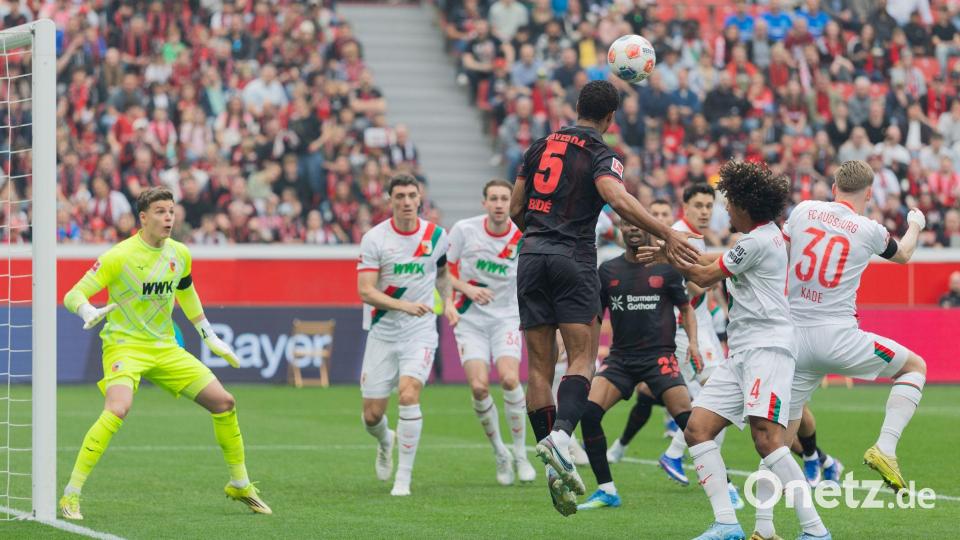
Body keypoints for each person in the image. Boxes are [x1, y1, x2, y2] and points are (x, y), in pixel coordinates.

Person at [508, 79, 701, 515]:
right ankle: (560, 439)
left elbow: (517, 208)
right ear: (611, 118)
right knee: (582, 357)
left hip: (532, 254)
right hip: (573, 257)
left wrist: (541, 238)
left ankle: (552, 463)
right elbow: (616, 197)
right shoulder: (601, 154)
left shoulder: (538, 146)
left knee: (538, 366)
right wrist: (666, 232)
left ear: (577, 107)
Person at [643, 161, 830, 540]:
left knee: (767, 440)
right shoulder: (762, 237)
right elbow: (714, 262)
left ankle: (814, 529)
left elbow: (704, 276)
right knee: (698, 430)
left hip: (768, 350)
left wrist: (670, 252)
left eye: (729, 203)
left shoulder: (756, 240)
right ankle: (727, 524)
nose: (724, 209)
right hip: (742, 352)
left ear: (745, 206)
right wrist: (671, 255)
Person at [59, 186, 271, 520]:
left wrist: (209, 335)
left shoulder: (180, 253)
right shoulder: (119, 256)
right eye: (160, 211)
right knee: (118, 408)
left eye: (171, 210)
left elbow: (186, 292)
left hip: (164, 347)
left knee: (225, 402)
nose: (168, 217)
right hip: (125, 345)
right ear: (143, 218)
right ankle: (71, 494)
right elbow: (73, 293)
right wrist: (86, 310)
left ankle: (240, 483)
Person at [763, 160, 928, 538]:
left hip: (793, 337)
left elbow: (781, 249)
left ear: (834, 185)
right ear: (869, 194)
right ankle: (885, 447)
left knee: (777, 443)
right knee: (914, 367)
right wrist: (915, 223)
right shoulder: (869, 229)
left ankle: (764, 527)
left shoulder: (804, 209)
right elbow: (903, 255)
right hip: (836, 337)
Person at [577, 222, 697, 510]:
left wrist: (693, 343)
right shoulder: (607, 270)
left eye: (637, 225)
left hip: (660, 358)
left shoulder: (666, 268)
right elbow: (596, 317)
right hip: (621, 360)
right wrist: (588, 356)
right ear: (620, 229)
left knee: (692, 426)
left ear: (647, 230)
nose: (633, 230)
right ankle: (606, 490)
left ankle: (726, 484)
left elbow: (686, 307)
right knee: (589, 414)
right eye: (626, 224)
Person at [356, 174, 454, 497]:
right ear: (390, 200)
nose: (407, 202)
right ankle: (386, 440)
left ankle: (404, 478)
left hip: (419, 332)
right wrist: (403, 305)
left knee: (409, 394)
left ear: (420, 198)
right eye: (400, 196)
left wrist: (449, 302)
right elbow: (366, 291)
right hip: (383, 332)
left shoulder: (437, 236)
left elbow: (442, 275)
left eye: (412, 195)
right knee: (372, 416)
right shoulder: (375, 239)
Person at [445, 179, 536, 485]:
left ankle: (521, 453)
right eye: (493, 199)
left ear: (511, 203)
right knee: (479, 388)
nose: (499, 204)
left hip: (506, 317)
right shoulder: (464, 230)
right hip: (470, 319)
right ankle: (500, 452)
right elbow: (446, 272)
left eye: (504, 199)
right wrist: (463, 291)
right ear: (484, 203)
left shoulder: (523, 235)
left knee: (510, 379)